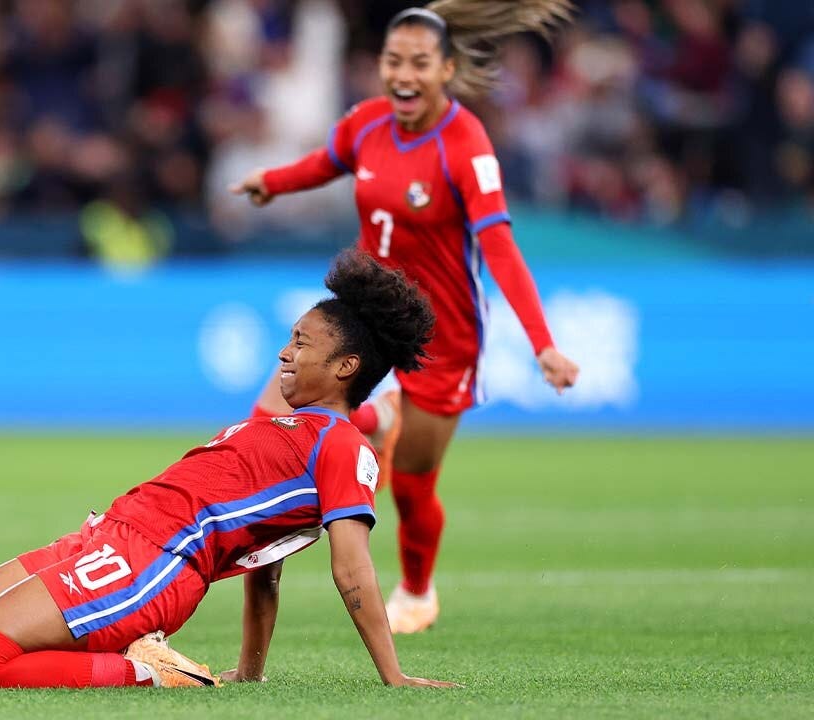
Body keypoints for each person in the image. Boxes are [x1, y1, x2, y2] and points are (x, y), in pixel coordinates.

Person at [0, 250, 456, 689]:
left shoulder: (343, 446)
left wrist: (395, 677)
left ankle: (154, 671)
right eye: (289, 338)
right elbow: (267, 563)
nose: (285, 354)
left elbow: (352, 569)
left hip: (152, 563)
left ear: (345, 367)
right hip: (107, 535)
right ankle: (103, 649)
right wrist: (251, 669)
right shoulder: (286, 427)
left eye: (301, 343)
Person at [230, 0, 581, 634]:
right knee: (273, 413)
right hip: (367, 312)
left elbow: (498, 245)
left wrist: (544, 344)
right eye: (394, 60)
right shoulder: (366, 124)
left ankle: (417, 590)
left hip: (443, 338)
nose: (404, 74)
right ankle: (260, 532)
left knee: (414, 485)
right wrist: (273, 182)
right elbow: (325, 161)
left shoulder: (465, 144)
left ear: (446, 69)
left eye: (420, 62)